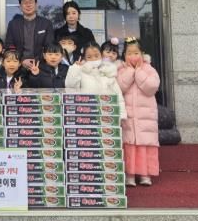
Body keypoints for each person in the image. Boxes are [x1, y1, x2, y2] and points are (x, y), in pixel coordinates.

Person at [117, 37, 160, 187]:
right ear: (124, 55)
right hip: (128, 115)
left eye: (136, 53)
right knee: (129, 144)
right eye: (129, 53)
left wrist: (139, 72)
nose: (133, 56)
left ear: (142, 54)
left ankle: (145, 174)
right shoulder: (121, 70)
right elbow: (120, 87)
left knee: (145, 144)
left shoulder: (149, 69)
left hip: (145, 117)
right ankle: (129, 174)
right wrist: (130, 72)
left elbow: (152, 88)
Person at [65, 42, 126, 119]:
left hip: (107, 115)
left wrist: (121, 114)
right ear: (84, 58)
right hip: (87, 116)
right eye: (89, 57)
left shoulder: (108, 71)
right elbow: (70, 87)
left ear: (101, 55)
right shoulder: (81, 71)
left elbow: (118, 95)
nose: (93, 59)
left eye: (96, 56)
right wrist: (75, 68)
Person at [4, 0, 54, 69]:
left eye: (31, 2)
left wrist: (35, 61)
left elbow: (49, 46)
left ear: (36, 5)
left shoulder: (46, 23)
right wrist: (21, 60)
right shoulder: (13, 24)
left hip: (41, 66)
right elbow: (9, 46)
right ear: (20, 7)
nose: (28, 5)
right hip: (19, 66)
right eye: (25, 3)